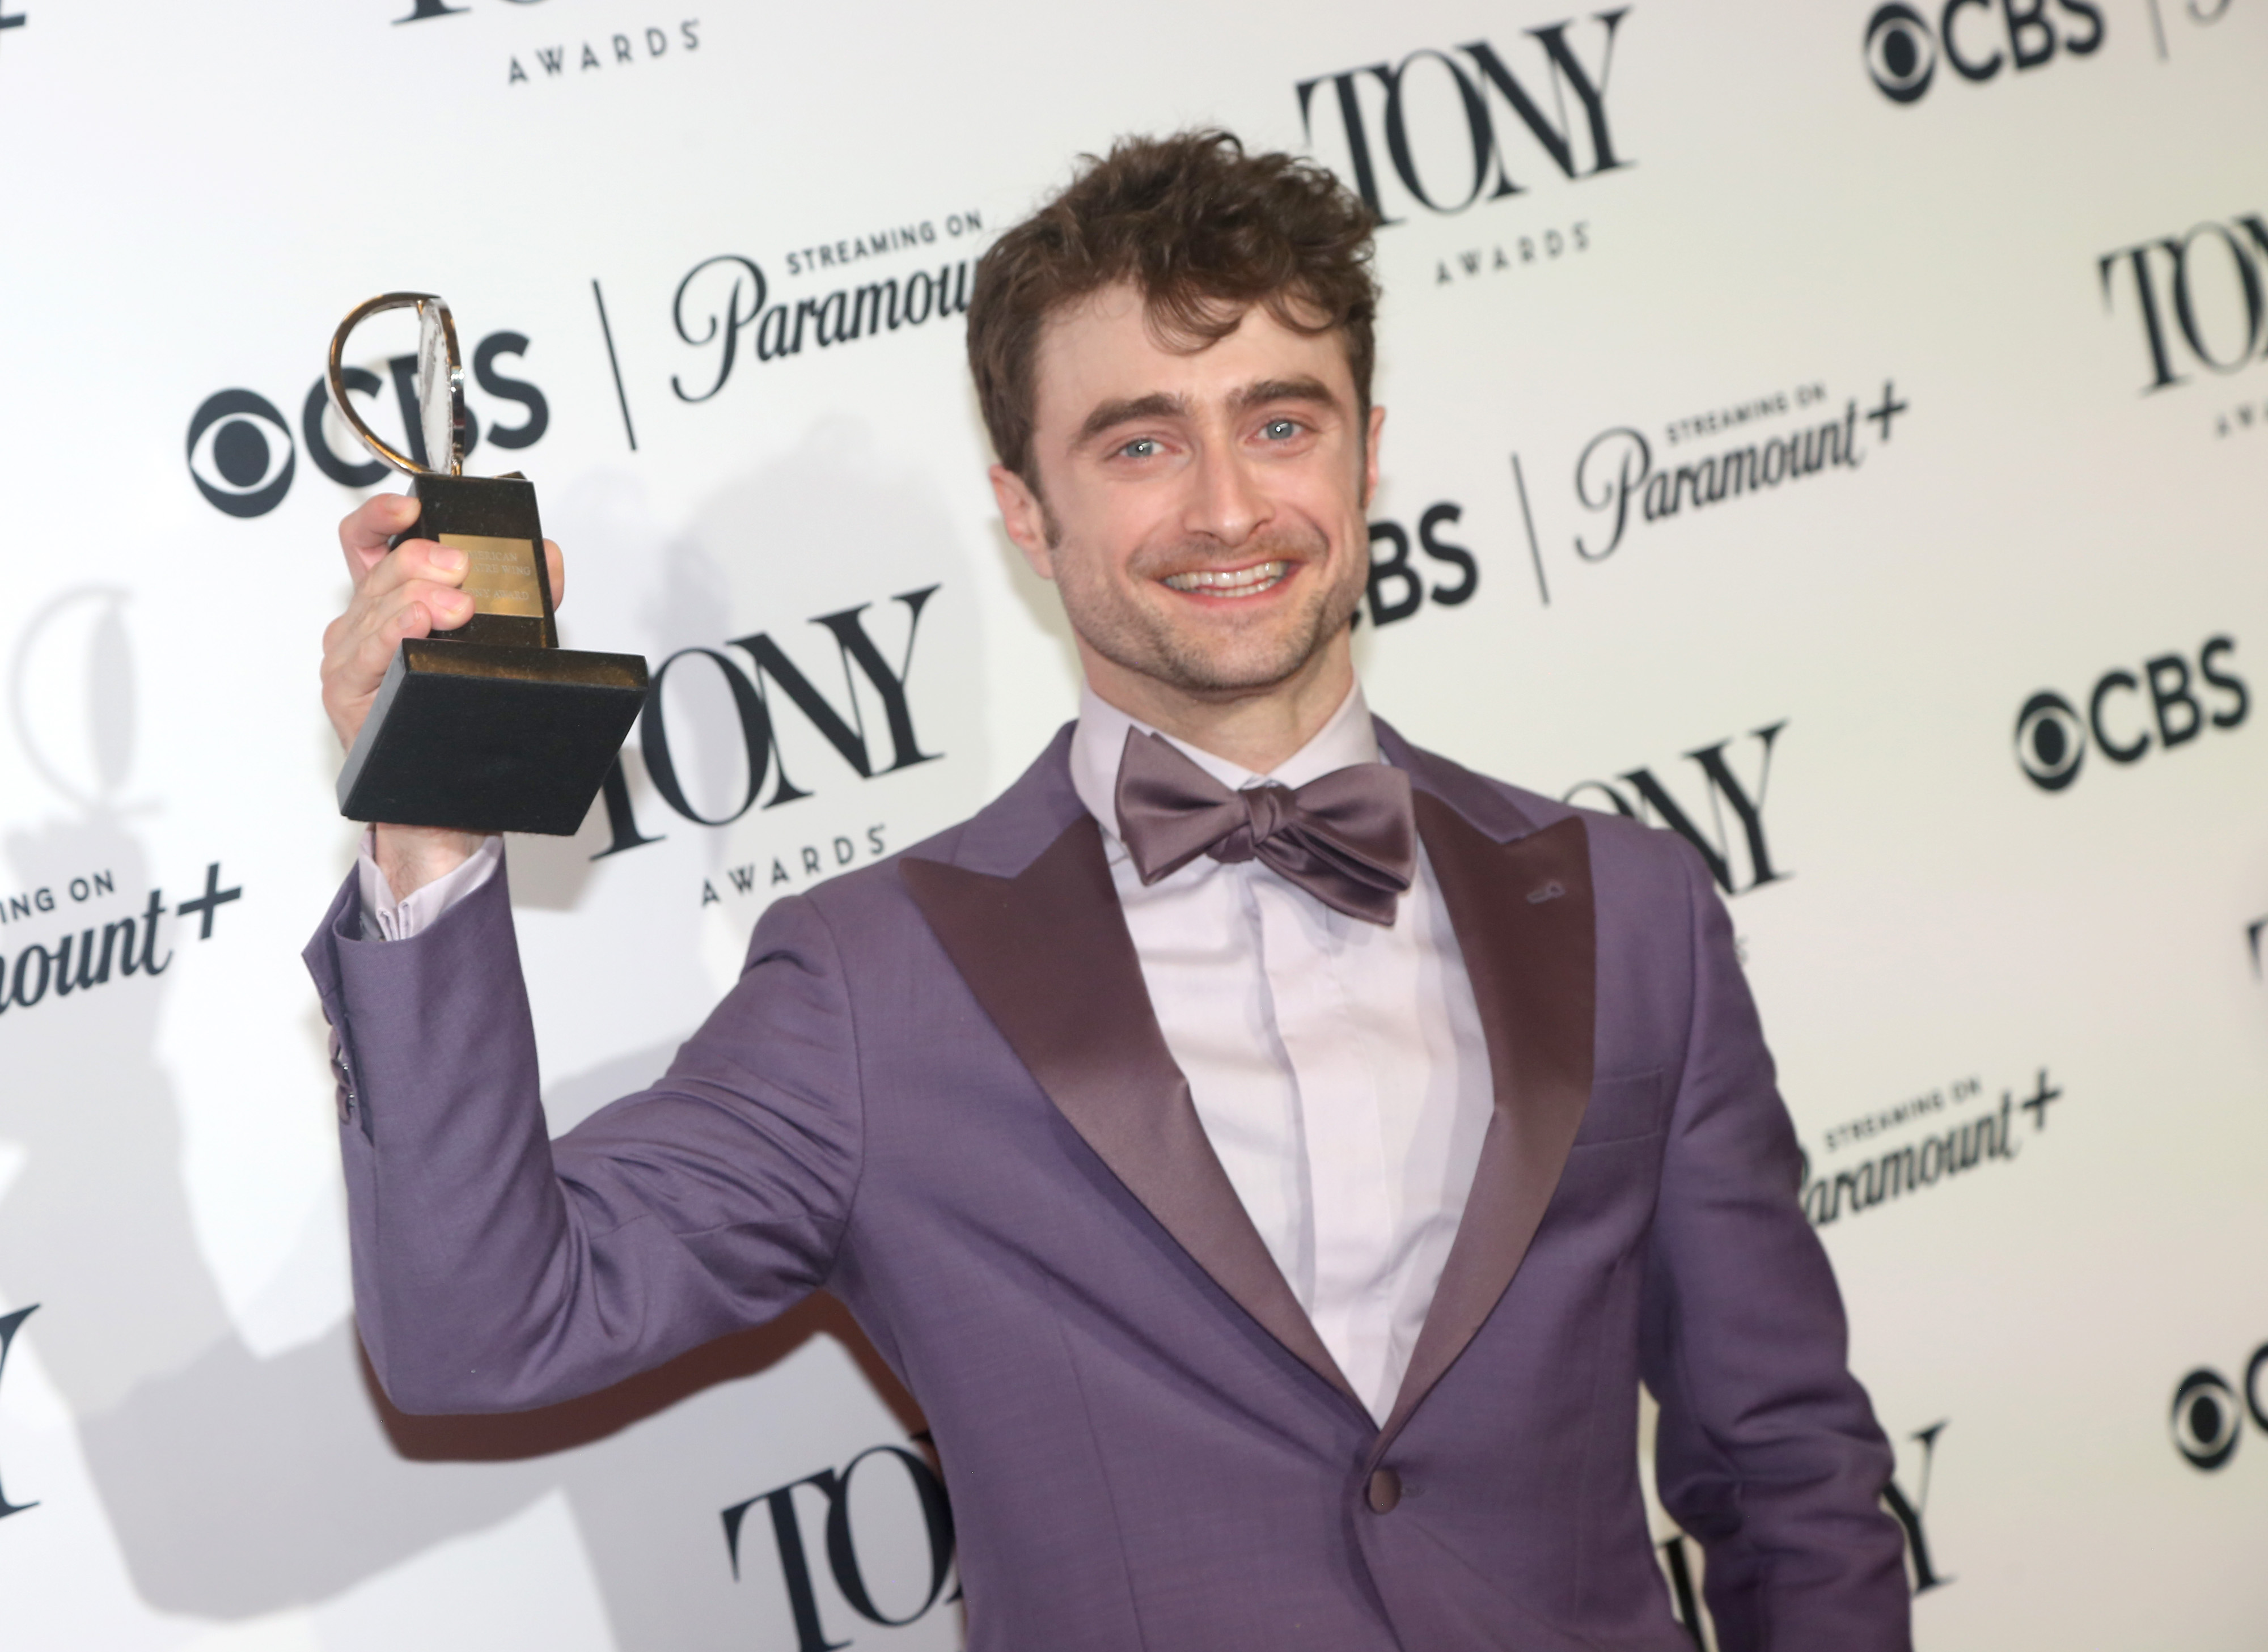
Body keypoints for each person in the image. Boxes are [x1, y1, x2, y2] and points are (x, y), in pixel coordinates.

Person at [307, 131, 1911, 1649]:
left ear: (1367, 455)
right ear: (1025, 509)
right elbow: (481, 1330)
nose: (1227, 506)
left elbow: (1786, 1466)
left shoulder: (1632, 911)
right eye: (1140, 441)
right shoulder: (881, 985)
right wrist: (434, 822)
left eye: (1281, 421)